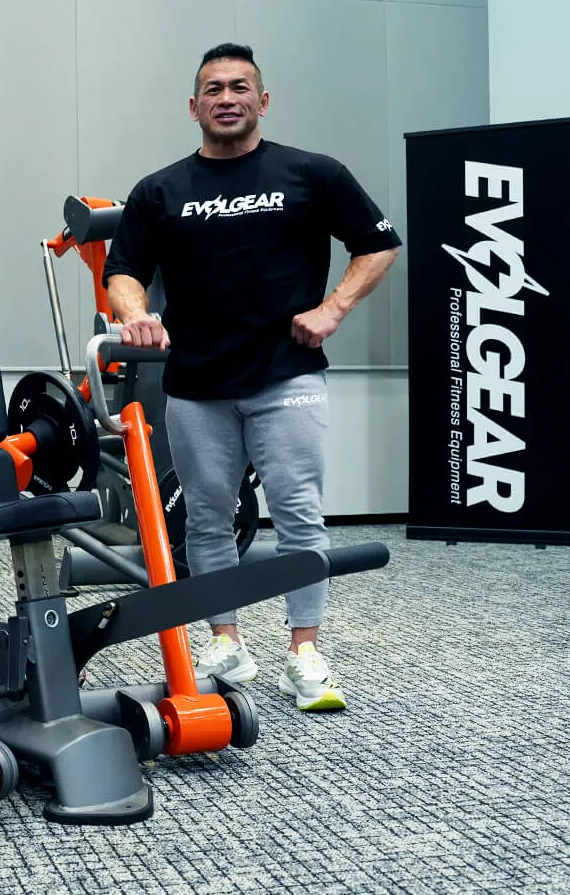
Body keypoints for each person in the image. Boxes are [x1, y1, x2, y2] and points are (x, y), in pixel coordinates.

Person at [102, 43, 401, 711]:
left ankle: (304, 652)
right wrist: (136, 315)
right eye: (213, 89)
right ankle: (226, 642)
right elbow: (122, 270)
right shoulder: (160, 190)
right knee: (208, 520)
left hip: (285, 374)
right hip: (195, 384)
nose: (227, 98)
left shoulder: (312, 173)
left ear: (262, 101)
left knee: (298, 515)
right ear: (194, 106)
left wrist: (333, 309)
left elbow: (379, 243)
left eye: (240, 87)